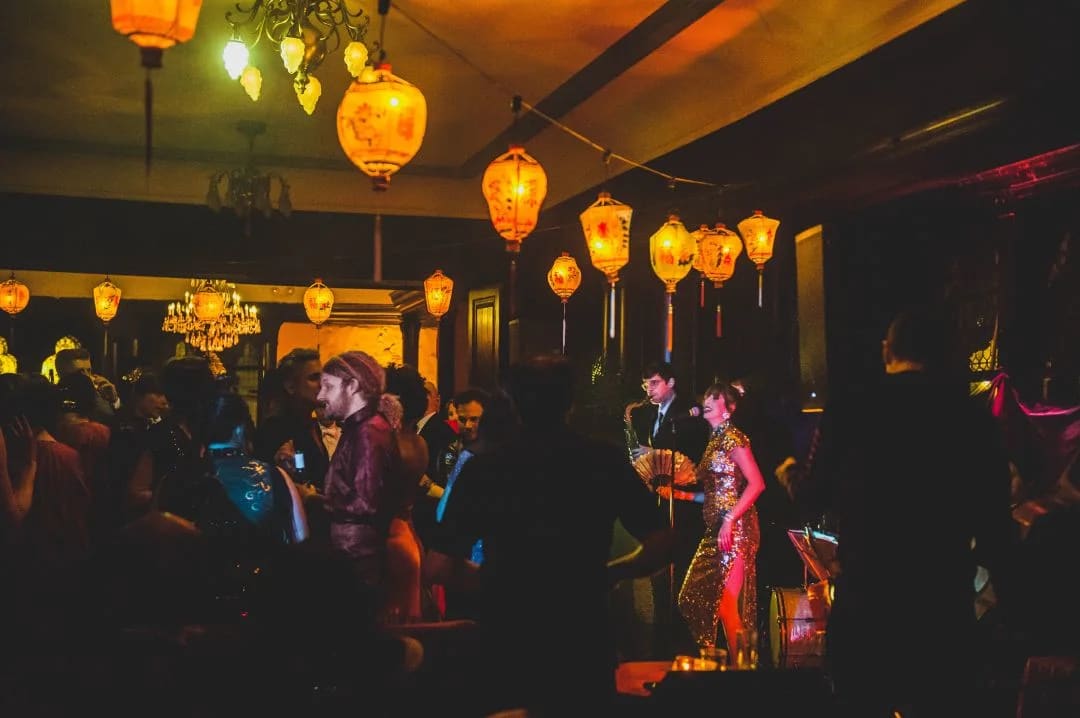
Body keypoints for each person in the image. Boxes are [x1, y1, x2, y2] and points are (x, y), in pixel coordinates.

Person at [776, 306, 1017, 718]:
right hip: (941, 607)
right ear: (946, 353)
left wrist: (790, 474)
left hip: (868, 603)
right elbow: (996, 527)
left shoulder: (851, 409)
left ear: (887, 351)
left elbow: (814, 497)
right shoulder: (972, 419)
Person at [426, 354, 675, 716]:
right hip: (582, 635)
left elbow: (438, 566)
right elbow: (663, 541)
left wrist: (500, 581)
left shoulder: (486, 469)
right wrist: (611, 572)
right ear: (570, 403)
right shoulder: (601, 460)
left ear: (513, 403)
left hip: (508, 635)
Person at [675, 380, 764, 660]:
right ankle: (726, 663)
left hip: (735, 528)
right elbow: (715, 493)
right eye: (707, 396)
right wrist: (682, 495)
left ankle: (739, 669)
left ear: (730, 408)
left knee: (726, 604)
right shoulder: (714, 440)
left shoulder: (733, 438)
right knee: (693, 598)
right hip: (716, 527)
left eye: (715, 397)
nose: (707, 400)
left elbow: (757, 483)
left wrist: (730, 520)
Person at [628, 360, 709, 657]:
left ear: (671, 382)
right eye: (645, 384)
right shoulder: (652, 413)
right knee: (660, 571)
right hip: (661, 501)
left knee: (681, 568)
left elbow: (693, 457)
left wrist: (653, 453)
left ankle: (680, 639)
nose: (648, 390)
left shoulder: (687, 414)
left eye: (654, 383)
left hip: (685, 504)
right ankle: (660, 637)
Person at [318, 351, 407, 601]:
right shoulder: (359, 428)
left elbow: (366, 503)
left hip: (360, 567)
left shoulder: (368, 432)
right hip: (355, 563)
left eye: (328, 386)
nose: (320, 396)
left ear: (353, 386)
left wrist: (317, 500)